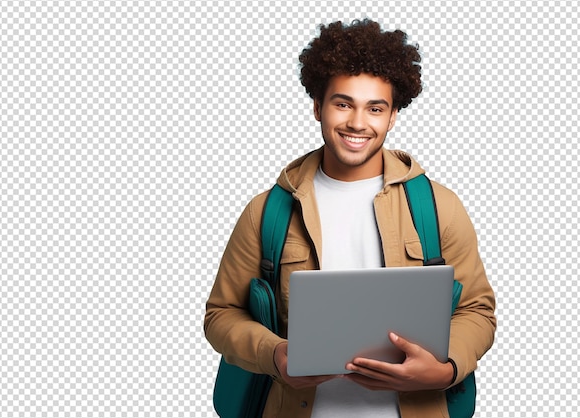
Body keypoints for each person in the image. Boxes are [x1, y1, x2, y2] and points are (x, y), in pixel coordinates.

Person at [204, 18, 496, 417]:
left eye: (375, 108)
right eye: (343, 104)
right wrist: (276, 355)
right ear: (317, 107)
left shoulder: (439, 206)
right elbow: (221, 315)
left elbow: (477, 310)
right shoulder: (267, 211)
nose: (358, 123)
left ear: (392, 116)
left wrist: (444, 371)